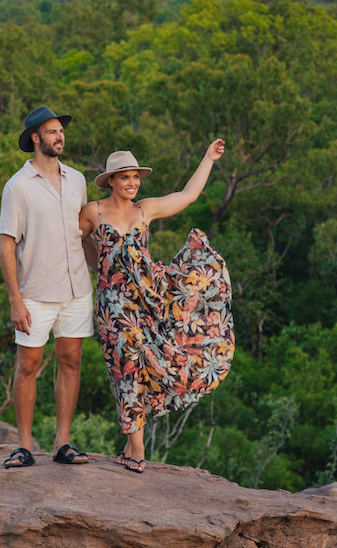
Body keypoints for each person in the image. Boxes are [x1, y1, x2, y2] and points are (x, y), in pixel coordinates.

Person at [79, 139, 234, 474]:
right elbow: (73, 238)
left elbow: (188, 196)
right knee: (125, 363)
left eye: (136, 177)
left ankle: (130, 445)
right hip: (114, 305)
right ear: (111, 181)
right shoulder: (94, 211)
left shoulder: (144, 209)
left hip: (149, 298)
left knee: (146, 364)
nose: (132, 183)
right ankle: (137, 447)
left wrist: (208, 157)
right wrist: (99, 267)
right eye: (125, 178)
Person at [0, 105, 93, 468]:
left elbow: (83, 234)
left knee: (71, 362)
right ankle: (23, 446)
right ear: (36, 138)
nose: (60, 137)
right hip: (34, 292)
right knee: (28, 366)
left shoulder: (78, 180)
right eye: (52, 132)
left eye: (61, 131)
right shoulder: (17, 187)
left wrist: (106, 268)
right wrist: (15, 300)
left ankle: (62, 444)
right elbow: (7, 245)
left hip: (76, 290)